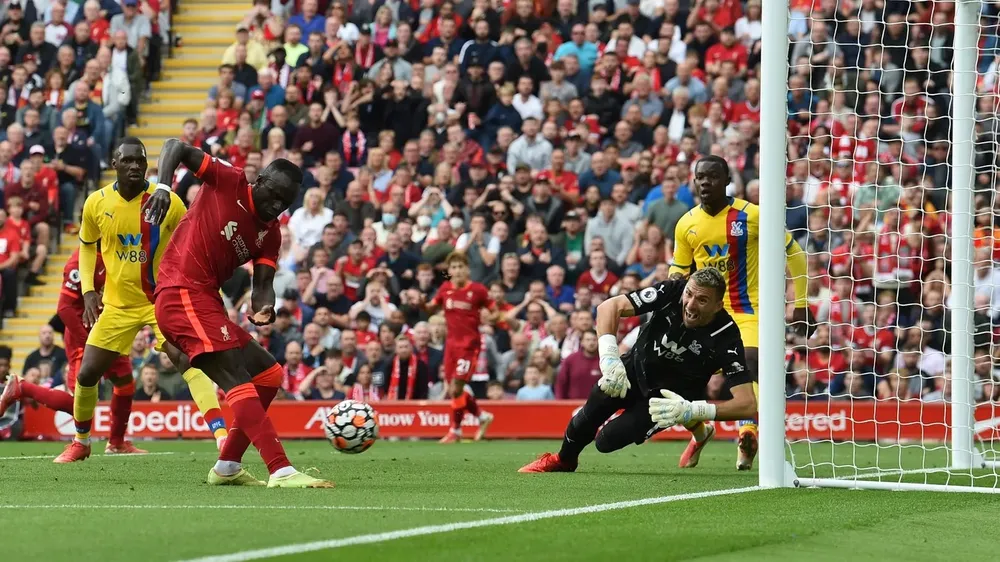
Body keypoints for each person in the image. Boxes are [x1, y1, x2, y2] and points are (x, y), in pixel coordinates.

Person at [143, 138, 332, 489]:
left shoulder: (270, 235)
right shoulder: (229, 180)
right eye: (273, 194)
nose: (276, 206)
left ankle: (227, 465)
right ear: (258, 181)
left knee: (269, 375)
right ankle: (280, 469)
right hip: (180, 292)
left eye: (284, 203)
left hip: (205, 301)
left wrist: (265, 305)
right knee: (236, 378)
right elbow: (175, 146)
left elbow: (263, 284)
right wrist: (165, 188)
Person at [52, 138, 229, 464]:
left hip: (159, 301)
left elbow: (189, 246)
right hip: (117, 305)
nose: (135, 166)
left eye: (140, 161)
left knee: (187, 361)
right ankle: (81, 442)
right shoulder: (96, 203)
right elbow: (88, 245)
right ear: (115, 164)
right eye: (128, 161)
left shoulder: (170, 203)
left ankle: (221, 436)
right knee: (87, 374)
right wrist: (89, 290)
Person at [518, 269, 757, 473]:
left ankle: (698, 426)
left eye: (702, 300)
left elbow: (747, 404)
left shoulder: (727, 336)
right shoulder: (672, 290)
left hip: (667, 399)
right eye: (689, 294)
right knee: (589, 413)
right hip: (633, 369)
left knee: (605, 441)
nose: (690, 305)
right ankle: (564, 460)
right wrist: (610, 359)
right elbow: (609, 306)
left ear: (718, 305)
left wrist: (691, 409)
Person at [669, 155, 809, 471]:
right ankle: (700, 431)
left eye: (713, 176)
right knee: (674, 374)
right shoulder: (687, 223)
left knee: (748, 363)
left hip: (749, 311)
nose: (706, 182)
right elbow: (679, 269)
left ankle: (748, 431)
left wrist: (801, 303)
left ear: (728, 178)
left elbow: (795, 254)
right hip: (707, 315)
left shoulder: (753, 216)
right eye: (700, 177)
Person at [0, 249, 141, 455]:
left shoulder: (117, 249)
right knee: (81, 404)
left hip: (108, 328)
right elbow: (64, 308)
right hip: (82, 336)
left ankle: (116, 442)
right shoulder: (81, 259)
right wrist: (90, 343)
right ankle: (22, 388)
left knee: (125, 383)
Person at [417, 251, 495, 442]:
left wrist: (491, 317)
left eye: (461, 267)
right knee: (454, 390)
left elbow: (494, 311)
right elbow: (430, 308)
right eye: (453, 267)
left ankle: (456, 431)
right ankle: (481, 416)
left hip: (469, 346)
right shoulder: (445, 288)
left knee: (456, 387)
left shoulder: (478, 290)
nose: (457, 270)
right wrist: (420, 303)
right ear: (449, 271)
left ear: (467, 269)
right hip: (450, 346)